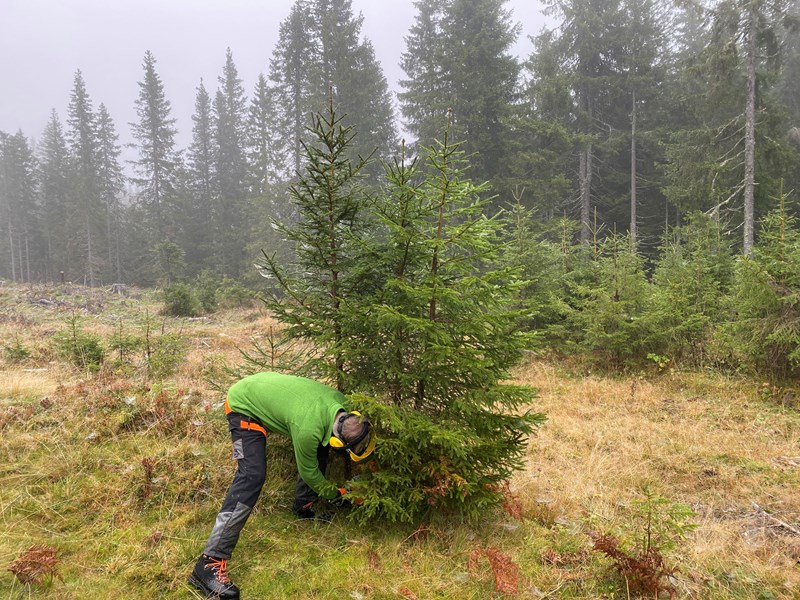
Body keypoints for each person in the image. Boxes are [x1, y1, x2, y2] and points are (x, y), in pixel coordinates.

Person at [189, 372, 375, 599]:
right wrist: (337, 493)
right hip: (244, 404)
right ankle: (209, 563)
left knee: (319, 446)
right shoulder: (308, 430)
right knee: (251, 476)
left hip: (263, 389)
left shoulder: (342, 405)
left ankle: (303, 507)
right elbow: (309, 473)